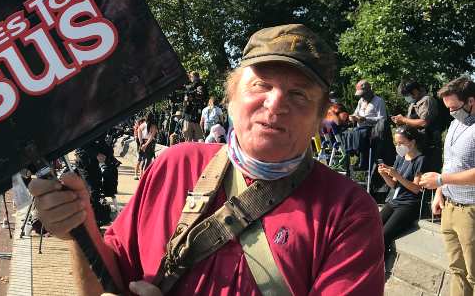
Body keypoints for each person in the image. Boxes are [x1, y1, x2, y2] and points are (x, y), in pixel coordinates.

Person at [29, 24, 384, 295]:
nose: (276, 103)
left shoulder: (348, 212)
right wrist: (81, 228)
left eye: (299, 94)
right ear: (231, 96)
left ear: (321, 115)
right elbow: (108, 280)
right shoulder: (175, 165)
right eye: (260, 85)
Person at [418, 77, 475, 296]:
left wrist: (441, 181)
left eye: (454, 107)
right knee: (456, 270)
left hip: (470, 210)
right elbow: (449, 163)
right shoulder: (454, 124)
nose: (451, 112)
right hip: (450, 207)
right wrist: (439, 193)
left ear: (471, 101)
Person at [377, 126, 426, 266]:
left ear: (412, 142)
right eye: (396, 143)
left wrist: (397, 175)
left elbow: (416, 189)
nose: (398, 146)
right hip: (395, 201)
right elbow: (393, 185)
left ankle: (381, 265)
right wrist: (385, 175)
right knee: (373, 227)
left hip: (409, 204)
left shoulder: (421, 160)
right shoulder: (400, 158)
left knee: (384, 234)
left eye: (401, 143)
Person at [392, 80, 443, 172]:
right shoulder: (413, 103)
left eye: (407, 95)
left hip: (429, 146)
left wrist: (403, 119)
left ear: (415, 91)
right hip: (418, 146)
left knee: (427, 175)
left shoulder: (427, 100)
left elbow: (424, 122)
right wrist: (401, 122)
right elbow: (411, 122)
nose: (407, 98)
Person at [349, 80, 388, 170]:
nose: (362, 96)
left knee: (362, 134)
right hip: (360, 129)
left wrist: (365, 119)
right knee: (349, 134)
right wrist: (353, 117)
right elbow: (356, 113)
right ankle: (354, 155)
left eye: (363, 94)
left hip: (373, 129)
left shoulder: (379, 101)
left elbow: (383, 119)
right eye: (360, 95)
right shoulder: (361, 101)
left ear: (369, 91)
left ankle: (363, 163)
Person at [182, 72, 206, 142]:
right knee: (197, 136)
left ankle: (190, 149)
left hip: (191, 113)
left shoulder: (197, 85)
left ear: (195, 77)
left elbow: (197, 94)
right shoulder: (201, 85)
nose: (190, 78)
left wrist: (186, 89)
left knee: (188, 134)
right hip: (196, 113)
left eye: (191, 76)